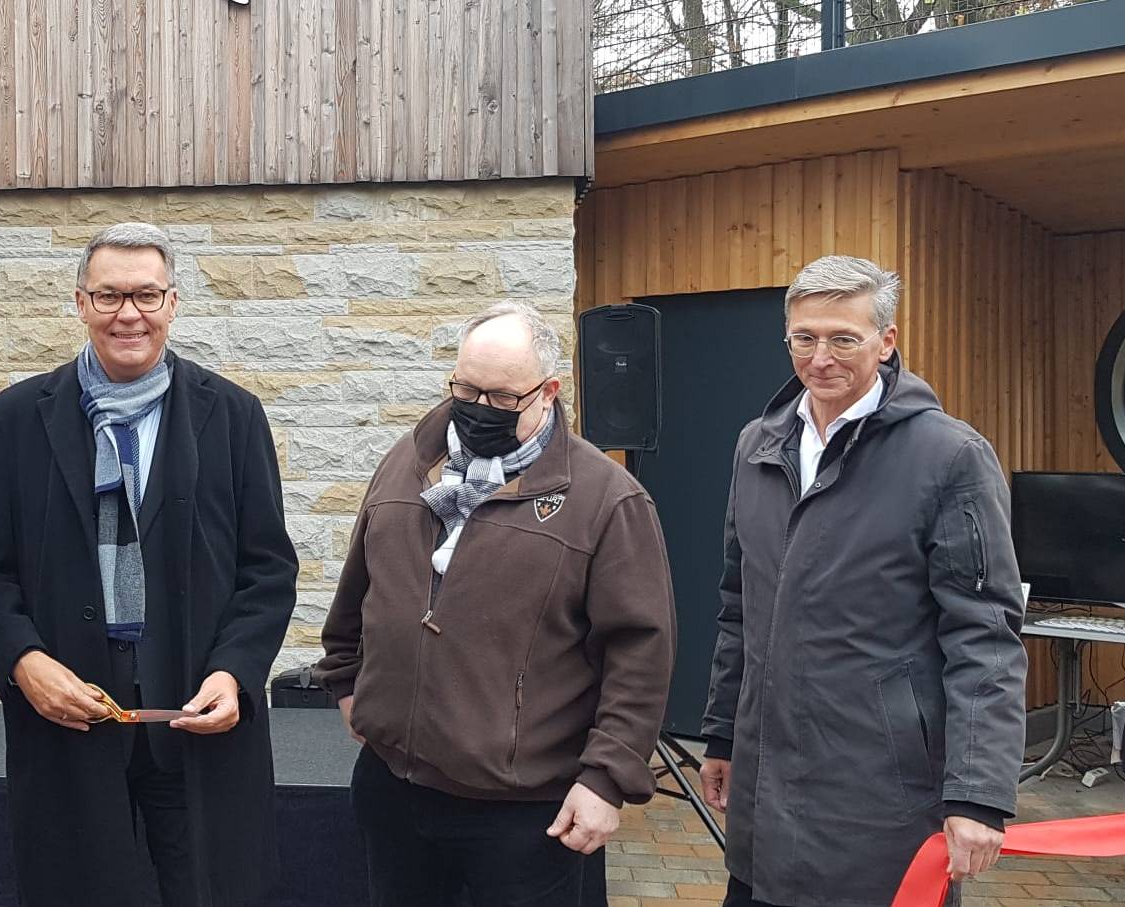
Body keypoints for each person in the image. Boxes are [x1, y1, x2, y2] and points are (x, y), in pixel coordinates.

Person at [0, 222, 299, 907]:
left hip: (198, 730)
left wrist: (235, 672)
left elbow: (267, 571)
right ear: (80, 303)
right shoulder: (16, 419)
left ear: (172, 303)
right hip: (68, 731)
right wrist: (25, 664)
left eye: (145, 295)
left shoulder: (232, 416)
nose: (127, 314)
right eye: (109, 296)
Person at [314, 301, 677, 907]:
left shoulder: (607, 500)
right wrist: (347, 684)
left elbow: (639, 651)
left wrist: (607, 778)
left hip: (525, 812)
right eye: (467, 389)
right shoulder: (407, 466)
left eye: (504, 397)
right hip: (394, 791)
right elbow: (357, 589)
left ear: (549, 391)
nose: (481, 408)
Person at [698, 255, 1028, 907]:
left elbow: (984, 637)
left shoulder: (950, 457)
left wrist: (977, 793)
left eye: (843, 338)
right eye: (805, 337)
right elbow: (739, 605)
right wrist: (721, 735)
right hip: (765, 806)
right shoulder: (756, 446)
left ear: (886, 340)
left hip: (883, 808)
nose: (821, 357)